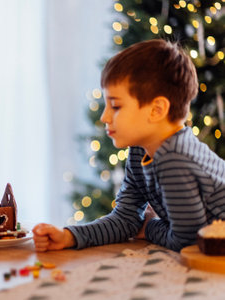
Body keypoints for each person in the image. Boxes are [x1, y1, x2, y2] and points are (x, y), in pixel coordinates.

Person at [33, 39, 225, 253]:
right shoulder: (139, 151)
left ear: (157, 109)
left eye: (115, 106)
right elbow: (126, 219)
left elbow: (188, 242)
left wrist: (149, 227)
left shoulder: (175, 158)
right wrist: (69, 236)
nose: (104, 117)